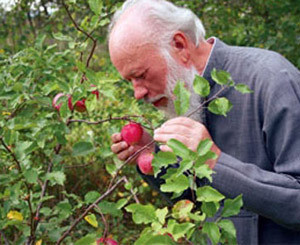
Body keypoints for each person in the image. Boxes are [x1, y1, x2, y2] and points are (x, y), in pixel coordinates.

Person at [108, 0, 300, 244]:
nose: (137, 93)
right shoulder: (185, 97)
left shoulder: (271, 80)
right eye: (130, 81)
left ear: (179, 45)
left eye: (141, 75)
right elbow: (194, 201)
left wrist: (217, 164)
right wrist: (153, 157)